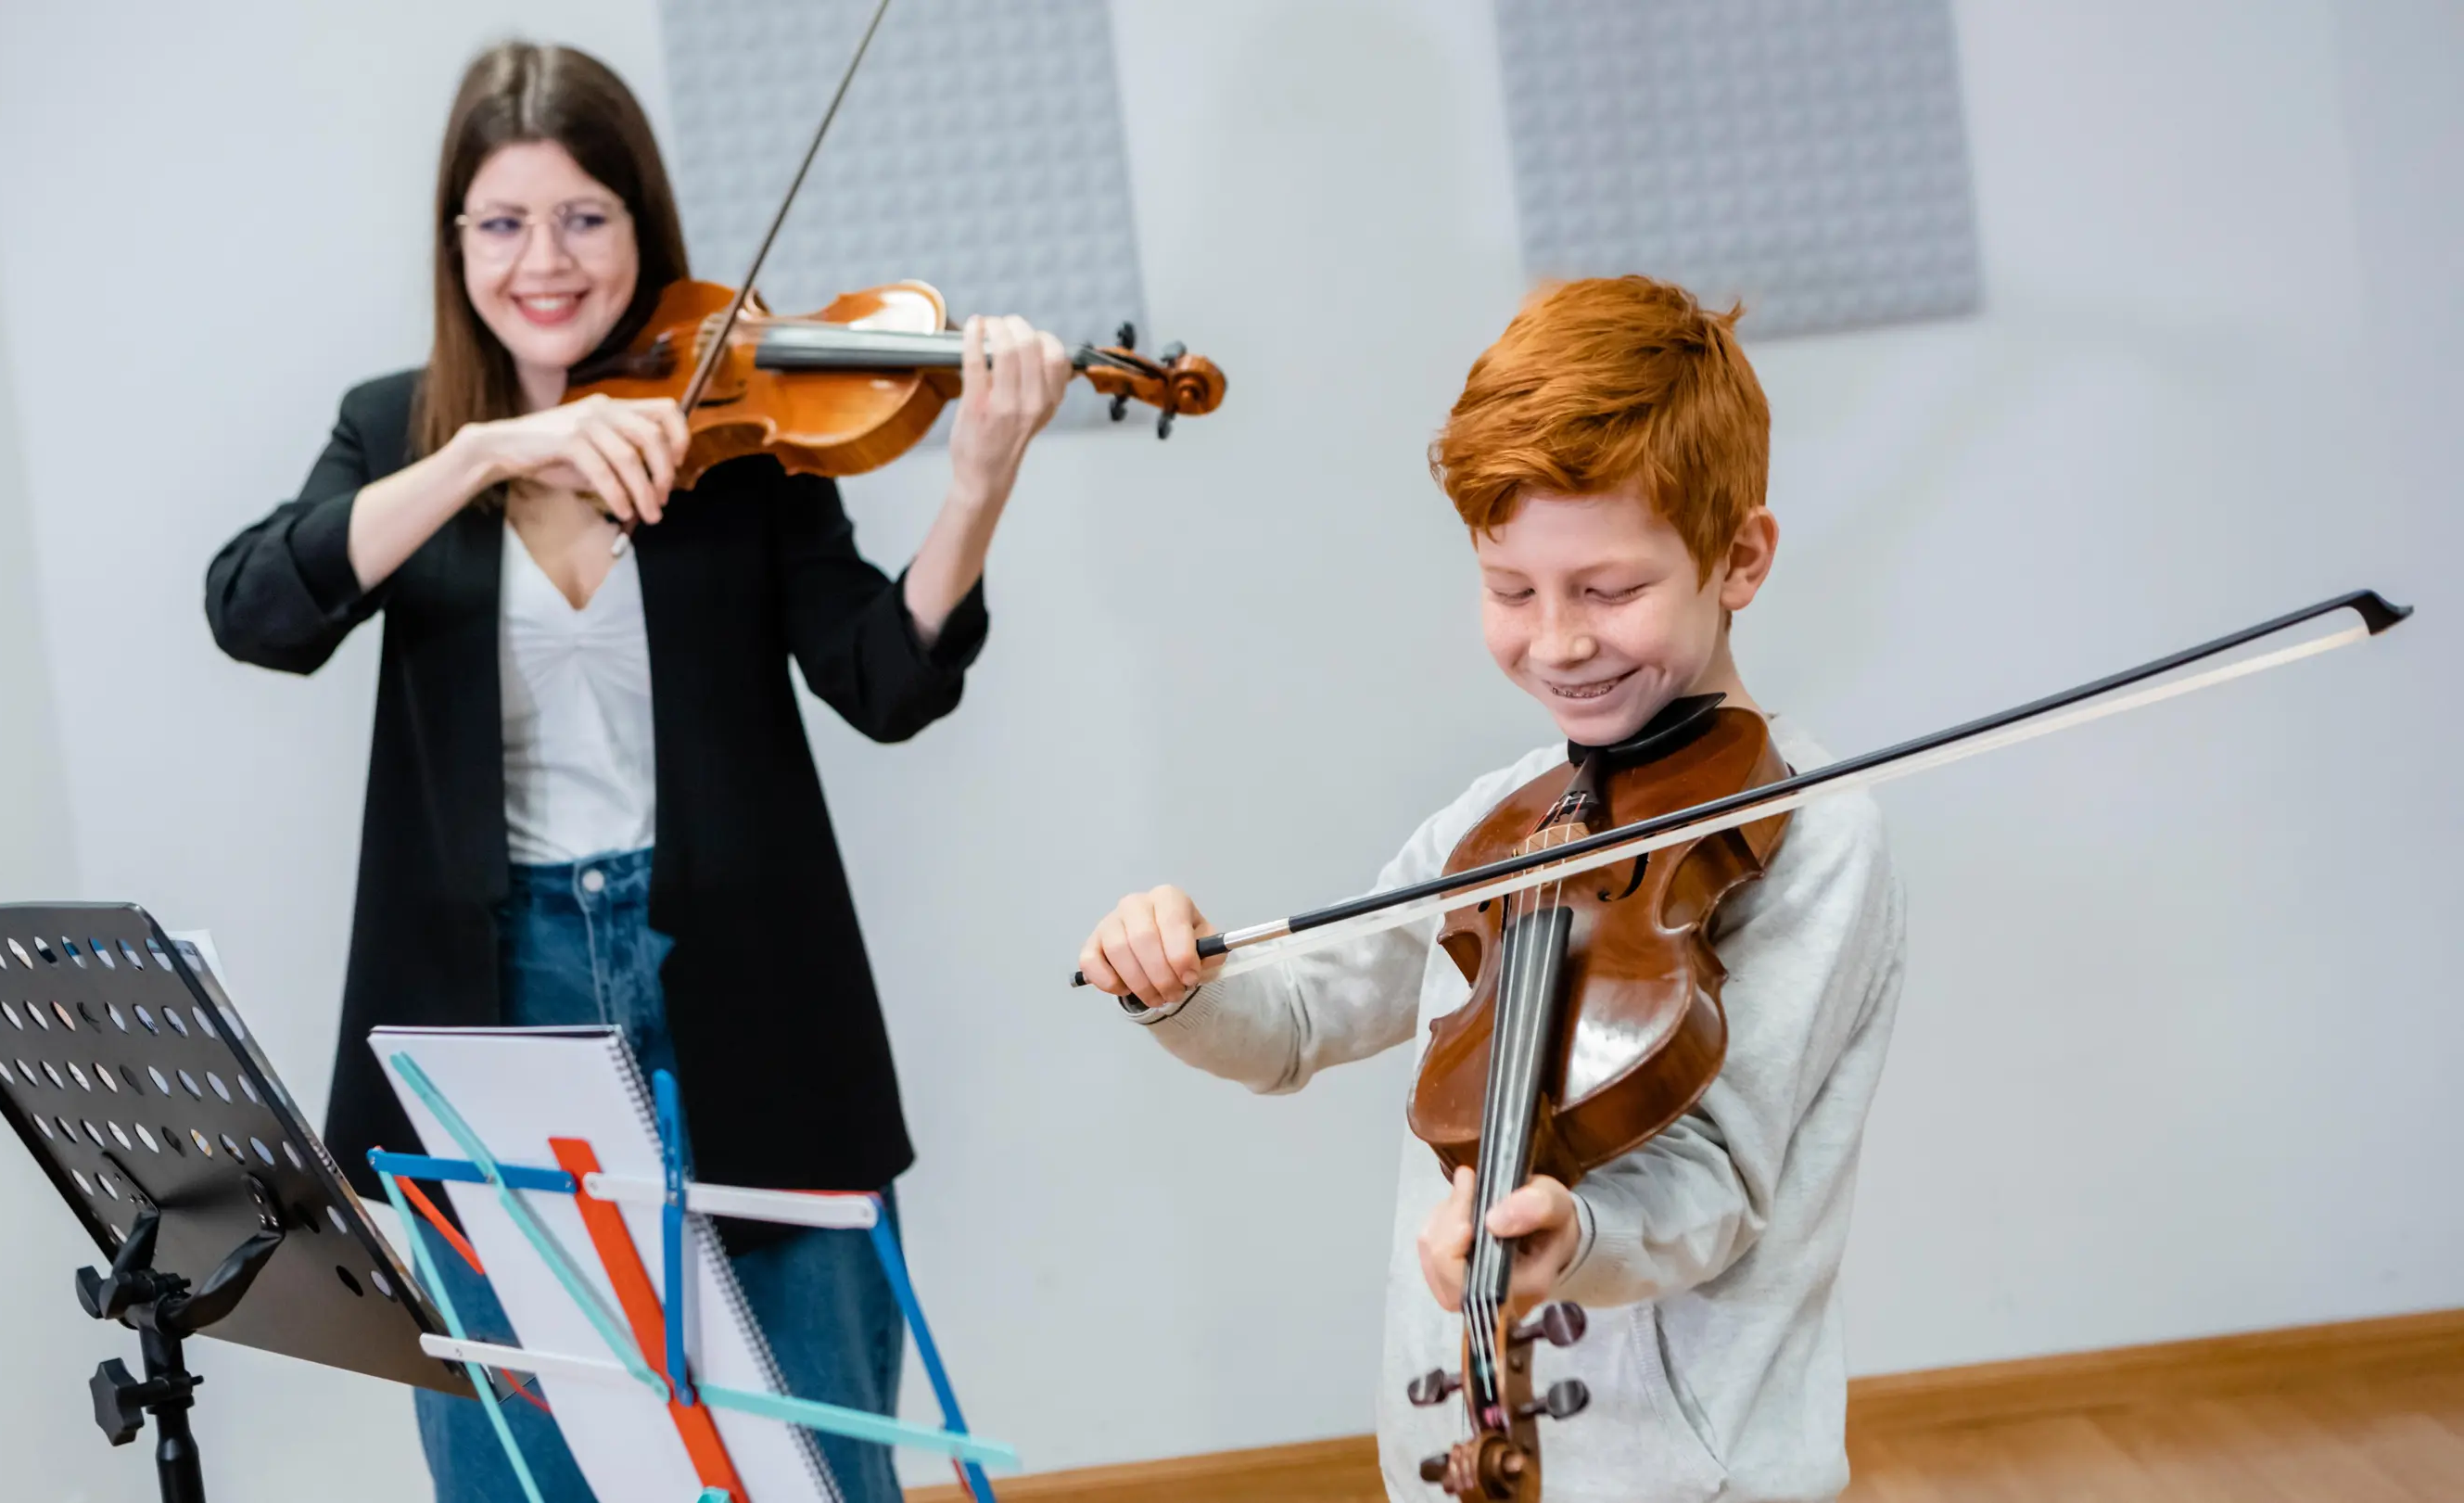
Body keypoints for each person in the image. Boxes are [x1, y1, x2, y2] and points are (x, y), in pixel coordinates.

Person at [205, 41, 1070, 1503]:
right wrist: (486, 453)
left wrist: (977, 485)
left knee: (813, 1447)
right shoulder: (396, 430)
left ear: (642, 230)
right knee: (524, 1461)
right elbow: (257, 609)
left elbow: (885, 680)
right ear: (456, 243)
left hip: (738, 980)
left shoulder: (739, 421)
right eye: (504, 222)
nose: (545, 259)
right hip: (497, 1001)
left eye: (586, 218)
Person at [1077, 276, 1907, 1501]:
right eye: (1512, 590)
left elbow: (1721, 1185)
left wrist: (1577, 1235)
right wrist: (1175, 980)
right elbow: (1303, 1020)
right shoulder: (1503, 823)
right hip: (1463, 1445)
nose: (1557, 641)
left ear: (1740, 558)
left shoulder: (1813, 834)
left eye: (1609, 590)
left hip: (1695, 1473)